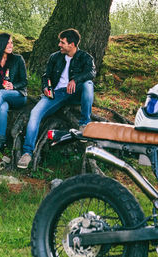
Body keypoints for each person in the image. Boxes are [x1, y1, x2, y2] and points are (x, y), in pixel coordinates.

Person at [16, 28, 96, 169]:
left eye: (62, 42)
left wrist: (75, 80)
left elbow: (91, 72)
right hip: (56, 93)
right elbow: (46, 76)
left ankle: (84, 124)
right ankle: (27, 153)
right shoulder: (55, 57)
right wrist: (46, 87)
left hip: (75, 93)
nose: (59, 45)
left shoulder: (85, 57)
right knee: (35, 113)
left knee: (88, 84)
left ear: (72, 44)